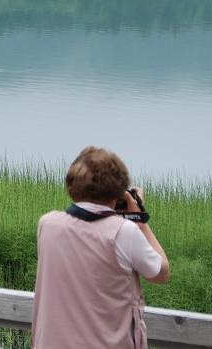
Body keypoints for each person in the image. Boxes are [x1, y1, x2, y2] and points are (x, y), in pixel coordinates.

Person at [32, 146, 170, 349]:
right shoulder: (124, 232)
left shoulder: (48, 224)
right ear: (119, 192)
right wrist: (140, 220)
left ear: (71, 187)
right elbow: (160, 272)